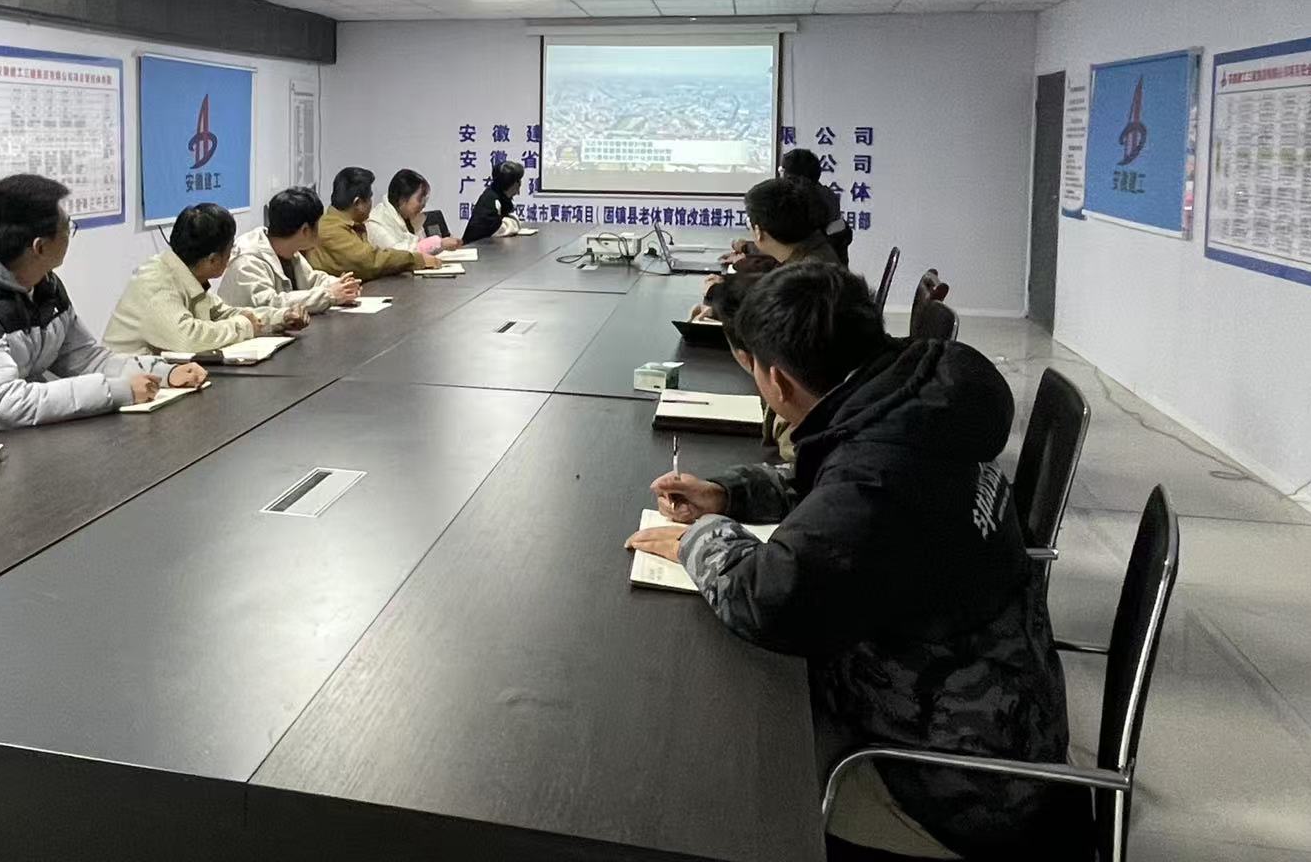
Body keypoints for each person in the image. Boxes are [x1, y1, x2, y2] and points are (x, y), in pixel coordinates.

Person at [627, 264, 1080, 861]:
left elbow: (770, 599)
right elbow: (839, 479)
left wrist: (699, 539)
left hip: (960, 781)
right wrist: (729, 494)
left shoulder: (881, 479)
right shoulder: (918, 399)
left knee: (725, 784)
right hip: (996, 713)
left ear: (777, 380)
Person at [0, 175, 206, 441]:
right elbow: (6, 404)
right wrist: (118, 391)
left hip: (11, 435)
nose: (70, 233)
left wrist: (164, 373)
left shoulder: (43, 283)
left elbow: (87, 358)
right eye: (67, 228)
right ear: (40, 246)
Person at [106, 203, 305, 353]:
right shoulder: (156, 283)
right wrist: (243, 326)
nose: (232, 255)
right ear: (213, 260)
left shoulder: (186, 274)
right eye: (230, 249)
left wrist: (280, 317)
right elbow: (188, 338)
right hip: (128, 386)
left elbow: (225, 313)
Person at [219, 187, 362, 315]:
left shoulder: (290, 252)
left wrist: (342, 285)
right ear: (305, 230)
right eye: (318, 225)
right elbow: (270, 304)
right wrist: (329, 295)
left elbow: (312, 280)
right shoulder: (247, 261)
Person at [310, 167, 440, 277]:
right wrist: (416, 260)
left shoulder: (351, 225)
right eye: (370, 198)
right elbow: (370, 260)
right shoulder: (330, 228)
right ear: (358, 203)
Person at [367, 169, 462, 256]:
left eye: (425, 200)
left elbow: (420, 246)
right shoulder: (376, 223)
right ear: (402, 199)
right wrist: (439, 243)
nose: (423, 205)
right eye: (420, 199)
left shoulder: (410, 217)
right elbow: (400, 255)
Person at [782, 147, 851, 266]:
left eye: (781, 170)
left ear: (789, 176)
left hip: (808, 271)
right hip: (835, 269)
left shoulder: (793, 200)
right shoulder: (829, 195)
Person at [461, 159, 526, 245]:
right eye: (519, 183)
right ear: (513, 184)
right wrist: (512, 222)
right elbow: (499, 229)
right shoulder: (490, 200)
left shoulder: (501, 196)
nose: (518, 192)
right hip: (476, 248)